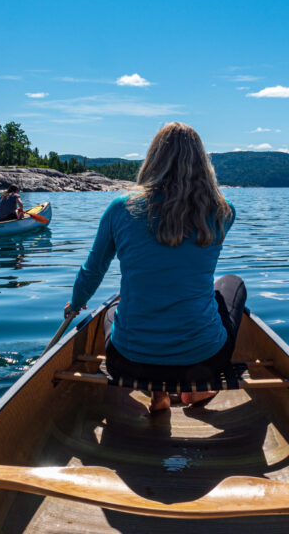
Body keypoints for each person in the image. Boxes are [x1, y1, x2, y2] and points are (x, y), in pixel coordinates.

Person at [64, 122, 246, 413]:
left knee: (113, 307)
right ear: (202, 162)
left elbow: (92, 270)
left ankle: (158, 396)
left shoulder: (120, 208)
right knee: (230, 284)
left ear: (153, 159)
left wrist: (76, 302)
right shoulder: (223, 211)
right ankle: (195, 392)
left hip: (130, 363)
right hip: (202, 362)